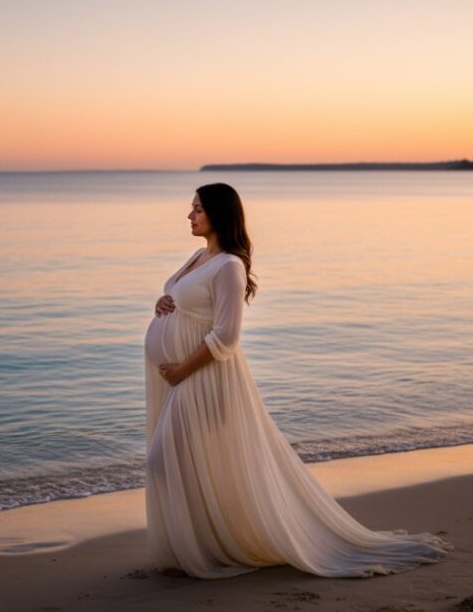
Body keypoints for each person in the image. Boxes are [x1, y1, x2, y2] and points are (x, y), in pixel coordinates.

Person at [143, 182, 452, 579]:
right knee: (191, 463)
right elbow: (184, 300)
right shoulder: (198, 257)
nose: (190, 215)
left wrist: (182, 370)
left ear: (219, 214)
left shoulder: (230, 266)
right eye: (192, 208)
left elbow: (226, 337)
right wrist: (163, 301)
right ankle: (205, 546)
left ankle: (207, 549)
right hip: (184, 379)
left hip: (203, 379)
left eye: (198, 209)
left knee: (164, 461)